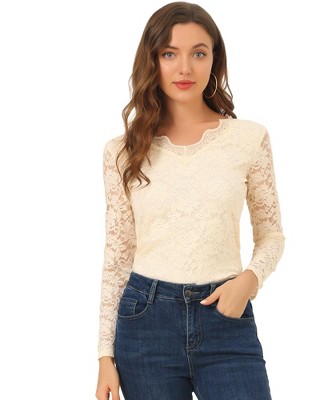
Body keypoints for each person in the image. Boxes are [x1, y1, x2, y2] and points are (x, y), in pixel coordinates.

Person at [95, 2, 285, 399]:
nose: (185, 68)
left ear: (214, 60)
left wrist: (249, 280)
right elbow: (118, 255)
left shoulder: (248, 139)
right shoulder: (122, 152)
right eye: (169, 54)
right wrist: (104, 356)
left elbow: (271, 235)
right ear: (152, 61)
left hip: (226, 318)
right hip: (145, 325)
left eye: (199, 53)